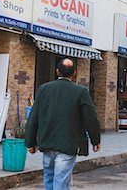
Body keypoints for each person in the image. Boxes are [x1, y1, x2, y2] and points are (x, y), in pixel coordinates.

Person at [25, 58, 101, 189]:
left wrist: (30, 142)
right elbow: (91, 118)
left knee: (48, 179)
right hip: (68, 145)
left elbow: (34, 117)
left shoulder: (44, 89)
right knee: (60, 181)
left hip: (47, 144)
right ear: (75, 73)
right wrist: (96, 140)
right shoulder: (80, 92)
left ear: (57, 71)